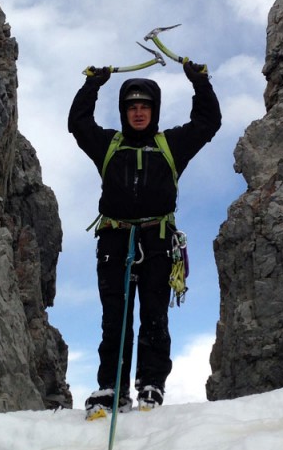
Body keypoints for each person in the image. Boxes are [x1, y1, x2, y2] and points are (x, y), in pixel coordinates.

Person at [68, 59, 221, 418]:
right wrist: (92, 86)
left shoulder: (171, 145)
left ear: (155, 111)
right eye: (132, 107)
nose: (138, 113)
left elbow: (207, 123)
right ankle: (113, 387)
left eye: (145, 107)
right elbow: (78, 124)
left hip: (157, 240)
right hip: (115, 240)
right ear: (124, 111)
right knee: (115, 316)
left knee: (154, 316)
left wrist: (201, 84)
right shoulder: (108, 144)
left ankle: (151, 384)